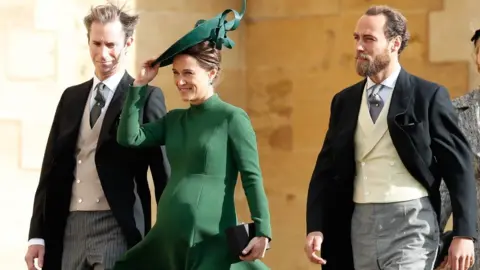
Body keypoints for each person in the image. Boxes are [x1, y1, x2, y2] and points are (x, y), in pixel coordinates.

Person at [304, 5, 477, 270]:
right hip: (359, 224)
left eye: (369, 39)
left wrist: (465, 233)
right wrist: (315, 227)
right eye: (356, 38)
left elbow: (458, 167)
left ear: (395, 44)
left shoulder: (427, 95)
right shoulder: (344, 101)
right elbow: (324, 171)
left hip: (412, 223)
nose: (359, 47)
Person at [111, 1, 272, 269]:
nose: (179, 81)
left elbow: (252, 177)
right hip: (167, 237)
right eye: (175, 73)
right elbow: (129, 138)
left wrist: (263, 230)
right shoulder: (174, 120)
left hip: (211, 239)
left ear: (211, 73)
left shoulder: (232, 118)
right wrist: (139, 86)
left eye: (188, 73)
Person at [24, 3, 170, 270]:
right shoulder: (71, 97)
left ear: (128, 43)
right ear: (88, 41)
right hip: (69, 227)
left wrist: (170, 233)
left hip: (118, 226)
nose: (103, 54)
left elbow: (163, 172)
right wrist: (37, 234)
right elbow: (50, 169)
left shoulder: (146, 97)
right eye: (97, 43)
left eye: (111, 45)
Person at [437, 29, 480, 270]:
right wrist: (431, 245)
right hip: (472, 250)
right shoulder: (454, 113)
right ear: (476, 59)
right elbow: (445, 186)